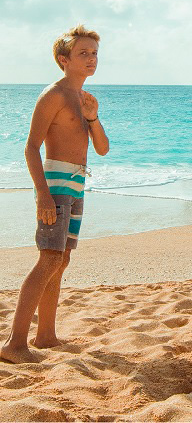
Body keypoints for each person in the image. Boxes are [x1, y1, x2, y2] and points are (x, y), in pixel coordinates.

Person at [0, 25, 110, 364]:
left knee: (61, 261)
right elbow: (31, 148)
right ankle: (14, 344)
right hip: (56, 185)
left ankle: (45, 335)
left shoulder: (83, 100)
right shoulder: (55, 95)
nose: (91, 58)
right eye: (83, 53)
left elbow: (103, 149)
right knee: (48, 258)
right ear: (64, 59)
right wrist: (43, 196)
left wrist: (93, 117)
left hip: (77, 184)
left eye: (94, 53)